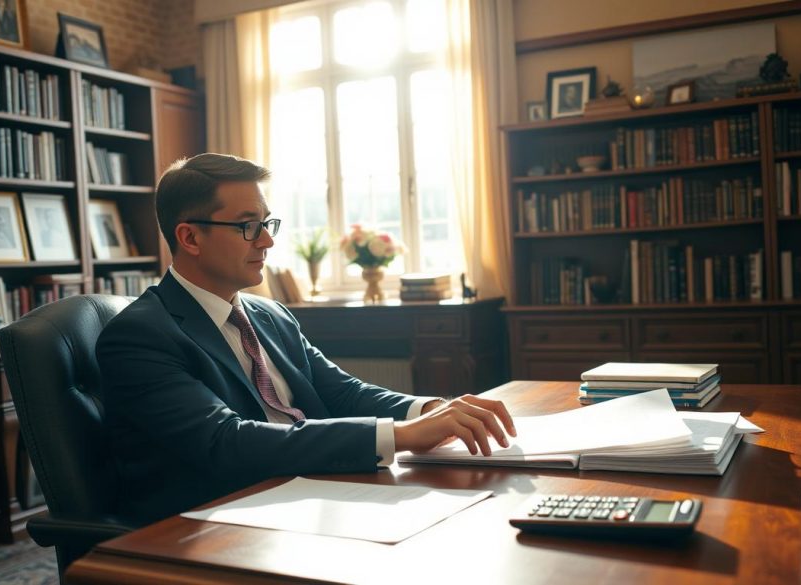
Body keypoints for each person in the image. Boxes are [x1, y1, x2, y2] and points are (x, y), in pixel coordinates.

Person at [96, 153, 517, 525]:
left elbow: (343, 393)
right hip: (213, 521)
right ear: (189, 237)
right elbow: (226, 442)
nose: (267, 240)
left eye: (266, 223)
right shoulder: (141, 335)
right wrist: (403, 435)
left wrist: (431, 409)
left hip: (308, 493)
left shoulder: (269, 313)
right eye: (248, 227)